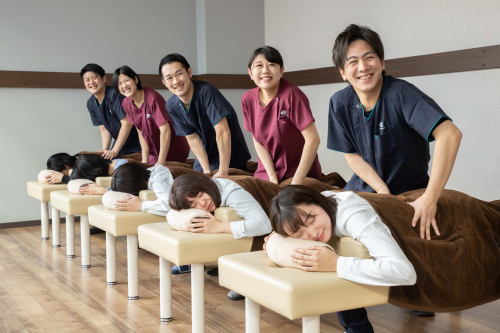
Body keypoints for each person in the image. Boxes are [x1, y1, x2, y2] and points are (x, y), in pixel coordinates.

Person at [327, 24, 462, 318]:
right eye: (352, 62)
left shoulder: (401, 94)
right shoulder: (339, 102)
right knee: (328, 229)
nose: (363, 67)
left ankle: (418, 295)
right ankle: (355, 323)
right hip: (365, 187)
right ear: (342, 71)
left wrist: (430, 197)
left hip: (410, 188)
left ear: (382, 62)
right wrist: (380, 189)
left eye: (370, 57)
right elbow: (351, 154)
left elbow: (450, 135)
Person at [266, 185, 416, 333]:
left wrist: (337, 263)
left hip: (411, 223)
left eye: (311, 220)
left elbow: (404, 272)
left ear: (319, 201)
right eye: (298, 235)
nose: (311, 234)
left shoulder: (355, 218)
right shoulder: (316, 210)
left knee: (328, 262)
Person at [111, 164, 272, 300]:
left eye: (201, 195)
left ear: (204, 185)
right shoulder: (197, 197)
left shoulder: (231, 192)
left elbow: (264, 225)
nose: (203, 204)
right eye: (194, 205)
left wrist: (219, 227)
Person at [159, 53, 251, 176]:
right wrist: (206, 171)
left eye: (179, 74)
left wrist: (223, 171)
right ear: (164, 83)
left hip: (229, 153)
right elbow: (192, 138)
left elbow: (223, 131)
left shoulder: (207, 92)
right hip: (205, 153)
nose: (176, 81)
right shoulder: (171, 105)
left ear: (189, 72)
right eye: (169, 78)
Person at [242, 46, 321, 185]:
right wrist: (272, 176)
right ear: (250, 73)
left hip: (297, 173)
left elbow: (313, 140)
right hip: (266, 172)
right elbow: (257, 140)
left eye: (271, 64)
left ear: (281, 70)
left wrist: (296, 182)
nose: (265, 70)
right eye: (259, 65)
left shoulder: (292, 95)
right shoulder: (247, 99)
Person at [113, 66, 190, 165]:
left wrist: (161, 163)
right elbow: (141, 132)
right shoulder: (126, 103)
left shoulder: (152, 98)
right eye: (119, 84)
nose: (124, 86)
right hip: (153, 152)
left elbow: (165, 130)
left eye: (126, 80)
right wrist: (144, 160)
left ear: (135, 79)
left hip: (173, 148)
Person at [80, 63, 141, 159]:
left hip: (138, 143)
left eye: (94, 77)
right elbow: (104, 129)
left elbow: (127, 123)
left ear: (103, 79)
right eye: (87, 80)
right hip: (120, 144)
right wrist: (105, 151)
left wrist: (114, 151)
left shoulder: (115, 95)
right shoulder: (91, 103)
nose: (91, 82)